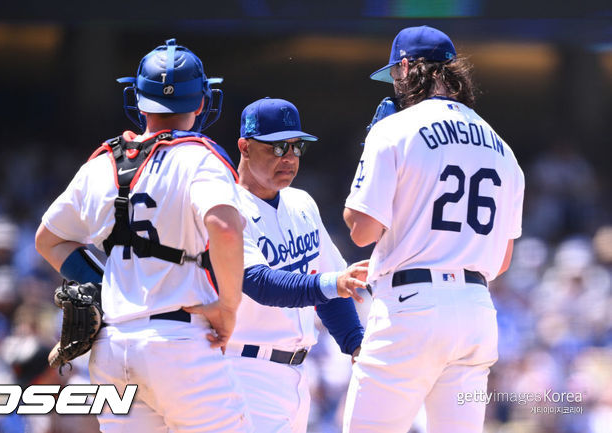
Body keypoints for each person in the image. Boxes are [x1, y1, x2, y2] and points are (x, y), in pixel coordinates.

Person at [34, 39, 251, 432]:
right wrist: (229, 307)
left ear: (136, 98)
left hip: (112, 348)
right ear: (202, 101)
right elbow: (225, 227)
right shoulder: (199, 157)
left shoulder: (101, 165)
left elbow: (48, 240)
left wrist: (103, 285)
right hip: (180, 342)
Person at [342, 26, 525, 433]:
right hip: (477, 311)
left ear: (406, 67)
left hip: (411, 306)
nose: (395, 82)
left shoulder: (394, 130)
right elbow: (503, 258)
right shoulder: (502, 147)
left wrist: (371, 147)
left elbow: (362, 231)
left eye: (394, 73)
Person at [207, 96, 366, 432]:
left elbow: (331, 291)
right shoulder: (224, 208)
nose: (290, 158)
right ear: (245, 147)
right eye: (278, 148)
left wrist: (355, 343)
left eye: (297, 147)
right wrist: (331, 283)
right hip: (242, 370)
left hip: (295, 376)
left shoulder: (302, 202)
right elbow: (260, 283)